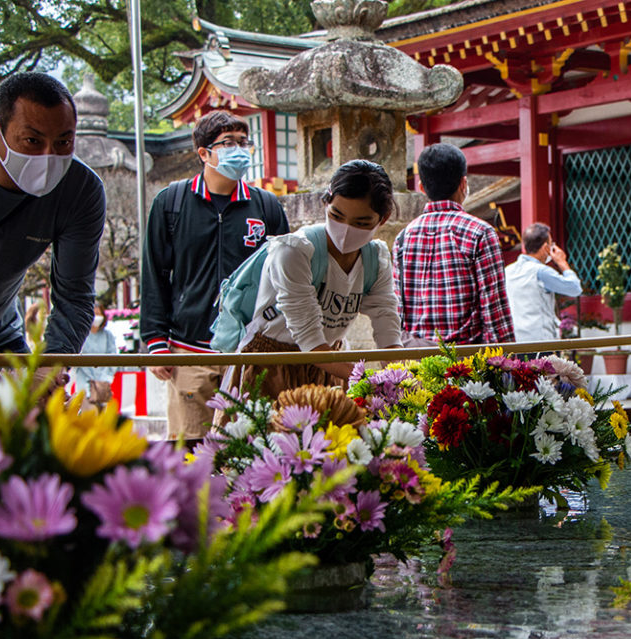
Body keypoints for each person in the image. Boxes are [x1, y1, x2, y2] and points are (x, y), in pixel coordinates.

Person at [140, 110, 290, 440]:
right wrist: (154, 342)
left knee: (252, 451)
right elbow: (155, 274)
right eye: (228, 143)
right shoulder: (172, 203)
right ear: (204, 153)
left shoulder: (266, 207)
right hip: (189, 351)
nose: (239, 150)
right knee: (191, 453)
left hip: (251, 353)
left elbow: (286, 278)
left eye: (243, 142)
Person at [224, 159, 402, 401]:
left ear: (383, 218)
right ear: (325, 203)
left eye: (362, 223)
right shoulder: (295, 252)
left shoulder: (376, 258)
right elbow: (311, 342)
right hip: (273, 366)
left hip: (334, 368)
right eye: (337, 215)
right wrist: (369, 382)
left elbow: (387, 327)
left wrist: (398, 380)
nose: (346, 229)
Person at [0, 72, 105, 372]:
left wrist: (49, 370)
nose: (48, 156)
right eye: (32, 141)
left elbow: (75, 297)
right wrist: (2, 379)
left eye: (64, 142)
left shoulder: (81, 191)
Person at [394, 143, 515, 345]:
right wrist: (508, 363)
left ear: (422, 187)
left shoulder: (403, 237)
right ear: (463, 184)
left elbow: (398, 308)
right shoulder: (480, 232)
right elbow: (495, 309)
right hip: (465, 360)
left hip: (415, 361)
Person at [505, 222, 582, 343]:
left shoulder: (507, 271)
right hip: (540, 340)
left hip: (515, 339)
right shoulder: (541, 271)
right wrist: (562, 263)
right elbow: (575, 288)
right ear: (546, 247)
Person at [72, 302, 118, 407]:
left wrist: (106, 376)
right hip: (84, 383)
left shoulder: (107, 335)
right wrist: (90, 376)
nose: (96, 317)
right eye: (94, 314)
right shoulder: (81, 335)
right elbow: (78, 358)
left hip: (103, 384)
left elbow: (113, 357)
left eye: (99, 314)